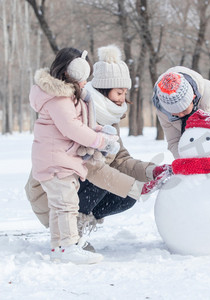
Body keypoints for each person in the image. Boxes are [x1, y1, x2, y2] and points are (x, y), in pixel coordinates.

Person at [25, 45, 163, 255]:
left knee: (126, 195)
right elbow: (92, 167)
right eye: (119, 92)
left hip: (72, 186)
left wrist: (152, 172)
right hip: (52, 192)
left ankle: (74, 231)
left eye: (125, 92)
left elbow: (121, 159)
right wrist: (137, 187)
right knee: (108, 178)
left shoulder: (107, 117)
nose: (123, 98)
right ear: (103, 90)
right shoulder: (80, 110)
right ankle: (71, 237)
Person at [28, 47, 120, 264]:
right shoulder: (58, 99)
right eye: (82, 75)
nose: (85, 81)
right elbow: (73, 129)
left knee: (59, 205)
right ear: (69, 72)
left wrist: (98, 131)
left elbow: (78, 125)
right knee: (67, 204)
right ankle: (68, 246)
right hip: (56, 160)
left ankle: (59, 247)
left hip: (59, 158)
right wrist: (101, 142)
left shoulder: (64, 98)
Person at [152, 66, 210, 159]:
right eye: (175, 114)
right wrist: (186, 161)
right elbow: (173, 141)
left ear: (193, 98)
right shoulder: (162, 110)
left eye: (184, 110)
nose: (180, 115)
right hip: (188, 156)